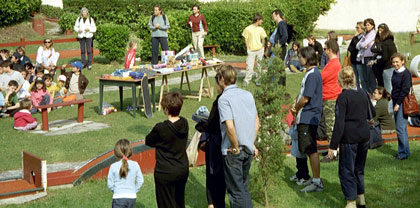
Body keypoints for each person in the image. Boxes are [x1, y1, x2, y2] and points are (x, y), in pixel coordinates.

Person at [328, 66, 374, 208]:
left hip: (350, 137)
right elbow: (371, 112)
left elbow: (339, 124)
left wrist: (333, 146)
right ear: (354, 78)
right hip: (364, 135)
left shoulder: (343, 97)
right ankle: (361, 200)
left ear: (340, 81)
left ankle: (351, 202)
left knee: (347, 170)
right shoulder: (363, 93)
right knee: (359, 169)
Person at [217, 65, 259, 207]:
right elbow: (256, 120)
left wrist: (235, 147)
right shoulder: (247, 94)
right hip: (248, 148)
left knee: (236, 192)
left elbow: (229, 125)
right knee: (242, 188)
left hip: (234, 150)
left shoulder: (224, 99)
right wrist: (251, 142)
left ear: (222, 80)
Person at [145, 92, 189, 208]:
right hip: (182, 168)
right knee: (179, 202)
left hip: (165, 171)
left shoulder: (161, 128)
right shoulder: (184, 123)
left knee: (165, 204)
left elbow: (148, 141)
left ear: (166, 109)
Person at [290, 46, 323, 193]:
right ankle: (309, 177)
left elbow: (306, 98)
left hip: (309, 116)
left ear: (307, 58)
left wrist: (296, 108)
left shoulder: (313, 74)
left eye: (300, 57)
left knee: (311, 149)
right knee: (307, 149)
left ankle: (317, 181)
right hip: (305, 115)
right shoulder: (309, 73)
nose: (299, 59)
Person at [195, 70, 226, 208]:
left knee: (213, 175)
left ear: (221, 82)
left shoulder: (220, 100)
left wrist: (200, 125)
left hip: (217, 142)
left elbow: (212, 124)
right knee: (220, 177)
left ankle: (213, 203)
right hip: (225, 142)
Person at [319, 40, 342, 162]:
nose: (324, 51)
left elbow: (321, 77)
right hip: (329, 96)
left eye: (325, 49)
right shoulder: (333, 63)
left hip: (330, 97)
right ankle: (332, 149)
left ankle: (333, 152)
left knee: (330, 126)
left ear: (330, 50)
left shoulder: (333, 64)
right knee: (329, 125)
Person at [107, 139, 144, 208]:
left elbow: (110, 184)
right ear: (130, 151)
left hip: (118, 197)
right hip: (132, 198)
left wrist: (116, 190)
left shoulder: (113, 166)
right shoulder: (135, 164)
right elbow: (140, 181)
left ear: (116, 152)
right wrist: (134, 190)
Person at [391, 53, 411, 160]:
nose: (395, 64)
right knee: (401, 128)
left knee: (400, 128)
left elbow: (405, 90)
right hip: (396, 101)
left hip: (402, 103)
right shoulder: (395, 72)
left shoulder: (406, 73)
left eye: (397, 62)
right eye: (393, 62)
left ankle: (403, 153)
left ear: (402, 61)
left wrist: (398, 104)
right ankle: (404, 151)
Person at [242, 13, 267, 86]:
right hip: (251, 51)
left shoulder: (261, 29)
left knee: (259, 66)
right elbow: (246, 38)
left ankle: (259, 80)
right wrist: (248, 47)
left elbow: (263, 38)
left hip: (260, 50)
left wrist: (262, 46)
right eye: (261, 20)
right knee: (249, 66)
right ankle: (247, 80)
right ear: (257, 20)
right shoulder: (248, 28)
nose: (262, 21)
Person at [371, 23, 397, 93]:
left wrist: (376, 61)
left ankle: (389, 103)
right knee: (391, 87)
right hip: (392, 66)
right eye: (378, 30)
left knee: (388, 89)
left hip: (387, 67)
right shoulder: (391, 41)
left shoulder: (385, 43)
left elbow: (384, 57)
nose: (379, 32)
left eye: (381, 31)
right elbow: (372, 48)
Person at [356, 18, 377, 94]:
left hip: (370, 56)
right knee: (366, 75)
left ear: (372, 25)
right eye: (366, 25)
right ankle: (368, 91)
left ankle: (372, 90)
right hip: (364, 56)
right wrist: (362, 45)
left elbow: (364, 43)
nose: (367, 26)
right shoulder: (366, 34)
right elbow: (358, 45)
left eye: (368, 25)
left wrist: (363, 44)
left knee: (370, 74)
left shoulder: (373, 34)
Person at [348, 21, 365, 88]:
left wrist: (355, 47)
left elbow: (358, 46)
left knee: (362, 77)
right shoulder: (355, 37)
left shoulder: (363, 37)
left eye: (358, 27)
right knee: (355, 78)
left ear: (362, 28)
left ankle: (363, 91)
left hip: (359, 61)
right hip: (353, 59)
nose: (356, 29)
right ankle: (357, 90)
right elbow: (350, 48)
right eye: (356, 27)